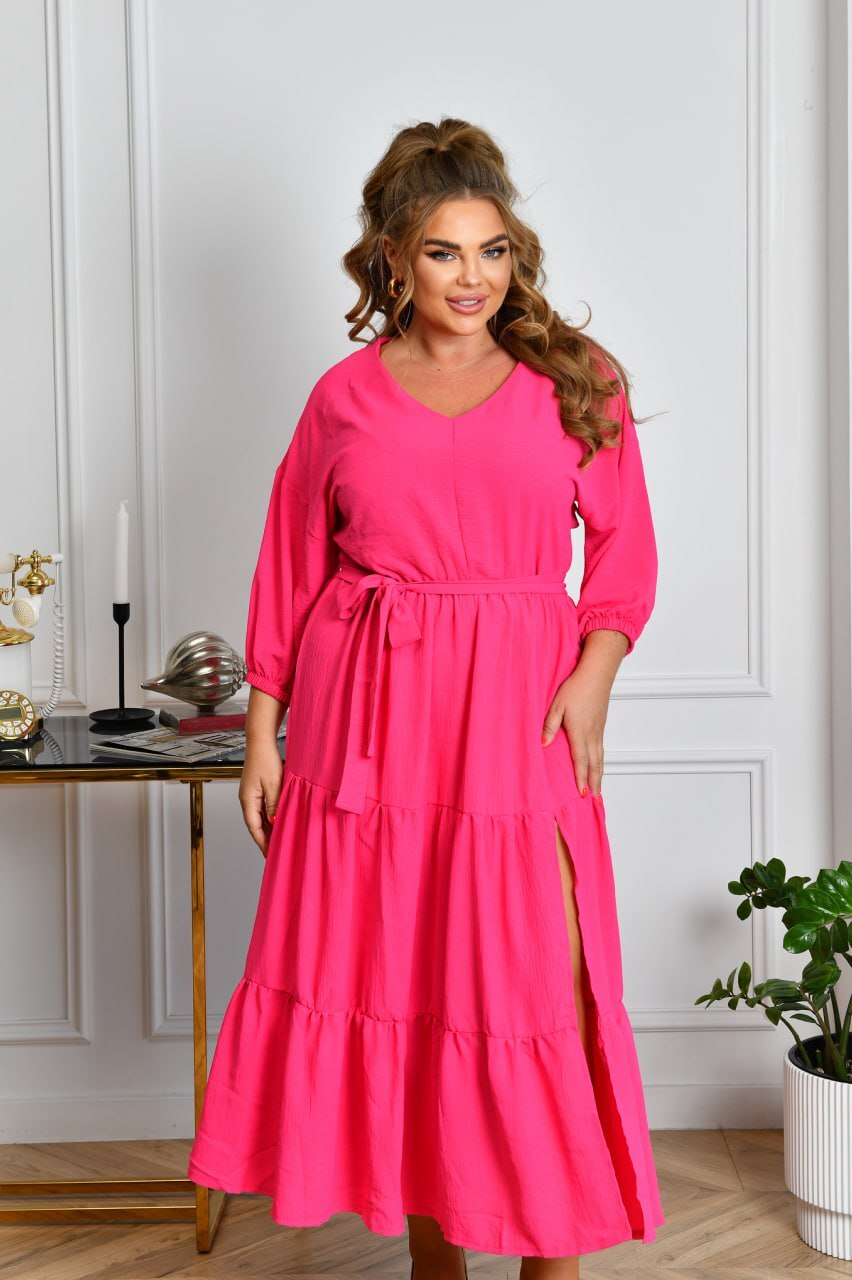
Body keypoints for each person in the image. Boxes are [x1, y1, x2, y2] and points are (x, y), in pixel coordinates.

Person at [187, 117, 665, 1280]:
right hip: (367, 721)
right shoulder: (342, 397)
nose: (472, 277)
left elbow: (625, 553)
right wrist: (261, 735)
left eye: (492, 250)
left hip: (517, 711)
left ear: (516, 252)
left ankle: (554, 1257)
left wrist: (594, 674)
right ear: (394, 256)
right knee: (404, 981)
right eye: (445, 251)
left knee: (531, 982)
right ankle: (432, 1266)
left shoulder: (574, 377)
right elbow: (289, 567)